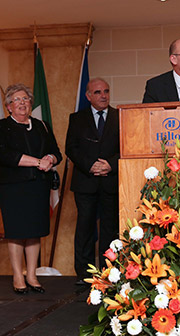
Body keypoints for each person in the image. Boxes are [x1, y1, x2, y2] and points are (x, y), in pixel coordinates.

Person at [0, 84, 62, 294]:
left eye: (25, 99)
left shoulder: (42, 125)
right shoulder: (1, 126)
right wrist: (37, 162)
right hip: (14, 187)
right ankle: (17, 275)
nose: (22, 103)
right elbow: (4, 154)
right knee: (17, 232)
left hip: (39, 186)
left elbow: (56, 151)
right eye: (17, 100)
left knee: (34, 232)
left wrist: (50, 158)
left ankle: (32, 275)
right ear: (9, 106)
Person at [65, 78, 120, 285]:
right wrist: (91, 165)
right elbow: (71, 148)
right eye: (98, 92)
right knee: (85, 226)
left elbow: (126, 148)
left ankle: (110, 272)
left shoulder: (119, 117)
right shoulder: (77, 118)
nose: (103, 95)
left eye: (106, 91)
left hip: (111, 180)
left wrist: (110, 165)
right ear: (88, 96)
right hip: (85, 180)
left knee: (110, 228)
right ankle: (84, 274)